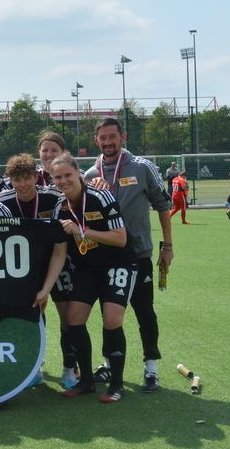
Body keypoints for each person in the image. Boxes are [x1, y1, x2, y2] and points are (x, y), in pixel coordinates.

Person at [82, 118, 172, 393]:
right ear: (96, 140)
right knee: (108, 314)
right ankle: (109, 364)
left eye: (113, 136)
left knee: (144, 311)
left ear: (123, 137)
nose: (108, 142)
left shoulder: (143, 168)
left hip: (139, 254)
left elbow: (163, 205)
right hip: (103, 257)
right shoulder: (88, 175)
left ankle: (151, 369)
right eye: (103, 138)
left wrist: (167, 247)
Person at [51, 154, 137, 403]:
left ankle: (117, 385)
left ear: (78, 172)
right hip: (87, 268)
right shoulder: (60, 207)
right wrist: (45, 287)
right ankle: (87, 380)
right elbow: (59, 253)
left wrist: (82, 230)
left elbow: (120, 238)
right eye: (58, 177)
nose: (63, 181)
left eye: (68, 175)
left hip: (118, 263)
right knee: (73, 318)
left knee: (112, 319)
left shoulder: (101, 195)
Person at [0, 153, 78, 388]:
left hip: (58, 261)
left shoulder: (53, 197)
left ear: (36, 177)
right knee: (32, 316)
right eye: (16, 179)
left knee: (67, 317)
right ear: (10, 179)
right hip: (25, 268)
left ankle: (70, 368)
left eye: (27, 178)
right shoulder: (4, 200)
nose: (22, 184)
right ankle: (35, 366)